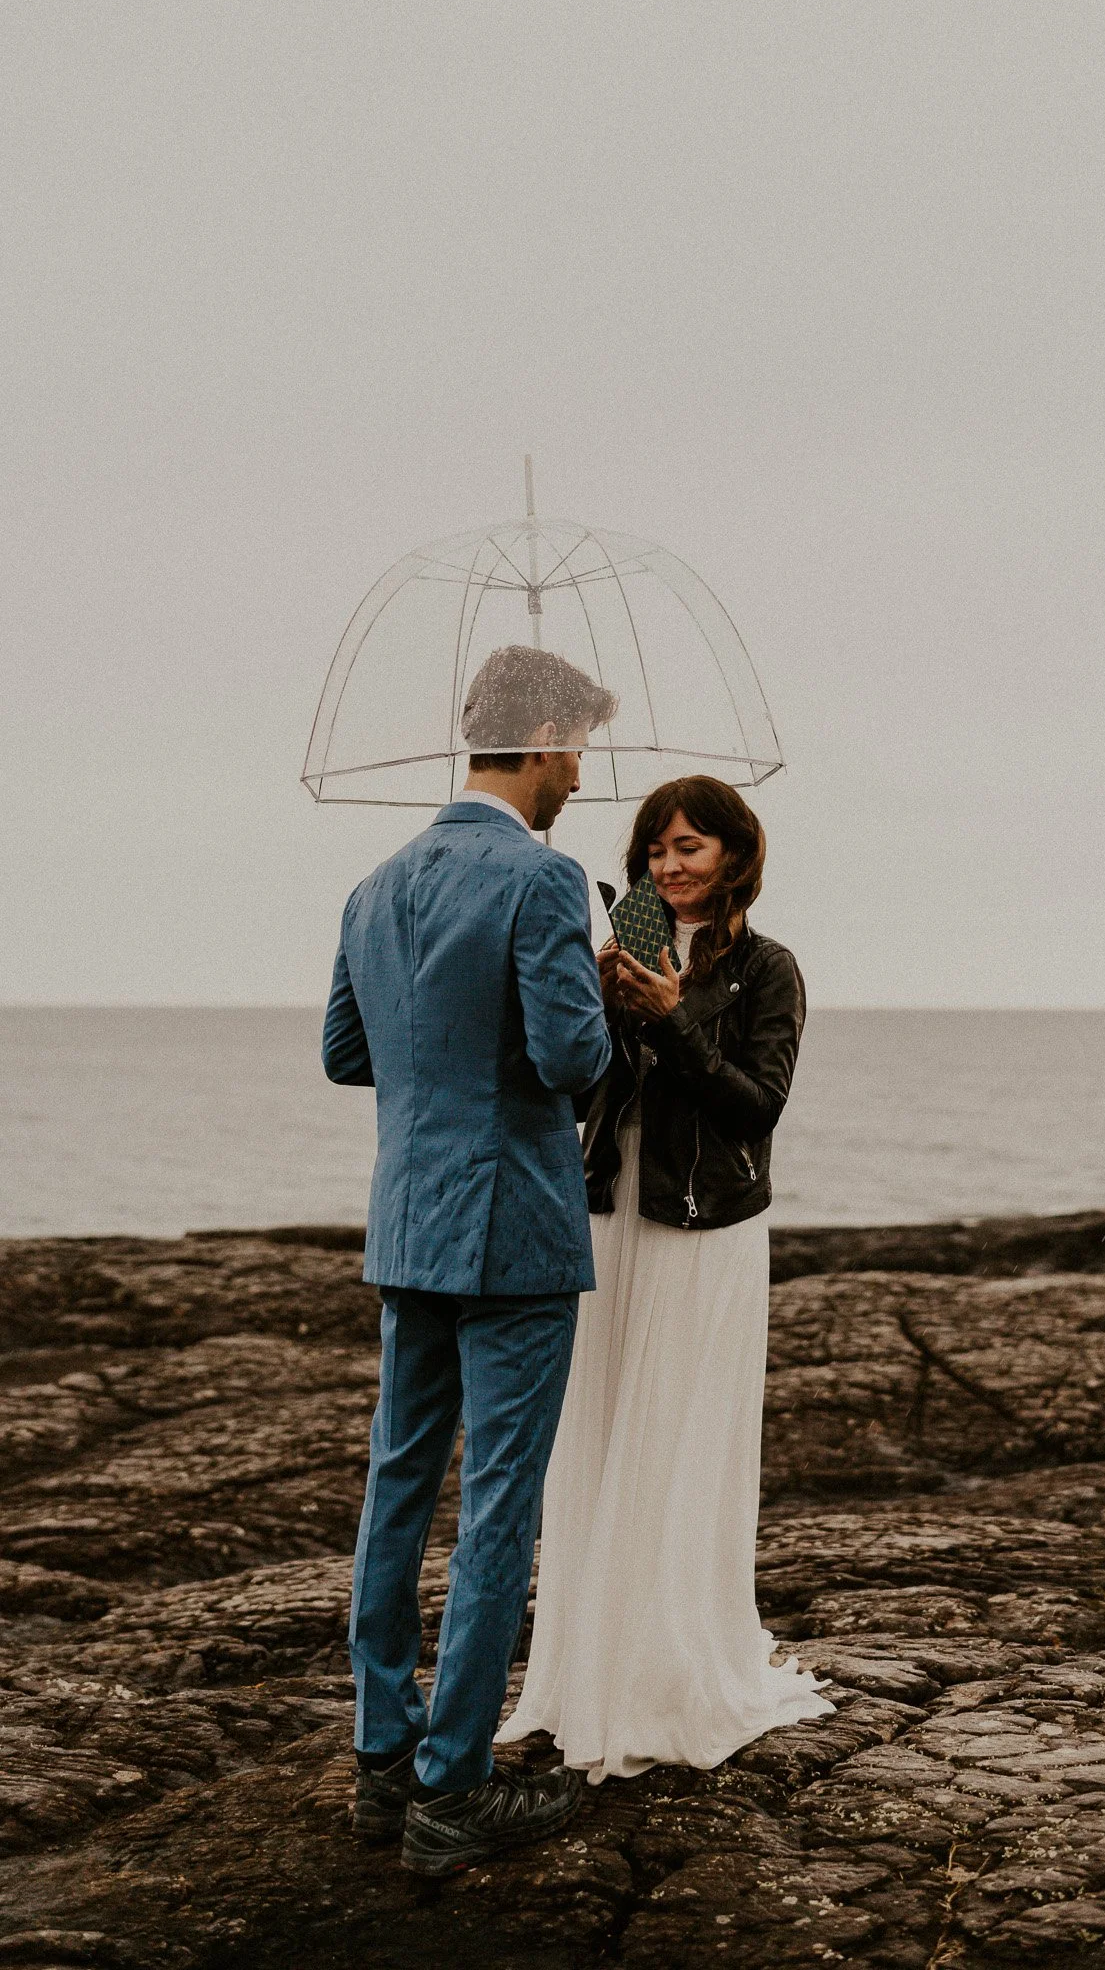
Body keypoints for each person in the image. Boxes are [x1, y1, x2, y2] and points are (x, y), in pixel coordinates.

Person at [322, 644, 617, 1875]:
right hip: (514, 1232)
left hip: (408, 1220)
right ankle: (454, 1786)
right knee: (498, 1501)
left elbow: (348, 1053)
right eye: (579, 747)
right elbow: (568, 1060)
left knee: (398, 1483)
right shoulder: (543, 881)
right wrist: (598, 992)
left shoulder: (374, 884)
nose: (579, 774)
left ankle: (380, 1759)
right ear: (543, 734)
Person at [499, 775, 833, 1782]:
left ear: (736, 854)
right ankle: (584, 1670)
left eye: (688, 846)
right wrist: (595, 1008)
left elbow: (753, 1109)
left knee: (681, 1437)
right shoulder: (620, 951)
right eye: (654, 849)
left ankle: (670, 1670)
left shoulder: (768, 969)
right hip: (609, 1215)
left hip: (704, 1224)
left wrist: (674, 1015)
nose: (667, 864)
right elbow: (575, 1096)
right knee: (597, 1434)